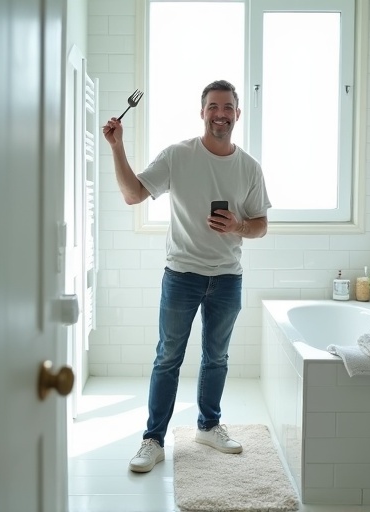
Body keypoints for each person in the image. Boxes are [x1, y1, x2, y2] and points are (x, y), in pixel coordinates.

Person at [102, 80, 271, 473]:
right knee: (168, 358)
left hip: (227, 278)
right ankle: (153, 440)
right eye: (213, 106)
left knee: (217, 358)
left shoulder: (249, 167)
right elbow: (132, 194)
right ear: (202, 112)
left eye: (227, 107)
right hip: (181, 275)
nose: (221, 114)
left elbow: (261, 225)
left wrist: (238, 226)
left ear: (237, 114)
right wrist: (117, 147)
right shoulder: (179, 155)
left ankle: (209, 426)